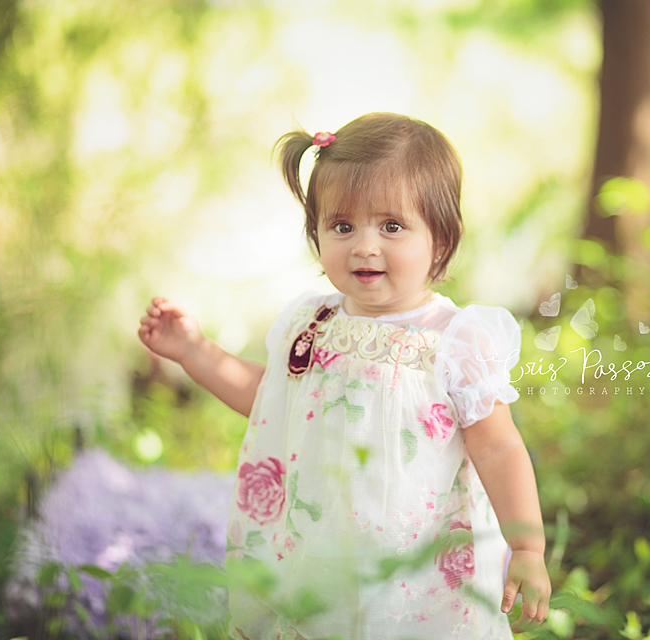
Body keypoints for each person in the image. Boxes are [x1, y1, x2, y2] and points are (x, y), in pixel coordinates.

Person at [138, 113, 551, 639]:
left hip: (416, 572)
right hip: (318, 551)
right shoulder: (310, 322)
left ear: (441, 238)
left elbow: (497, 447)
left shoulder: (454, 341)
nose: (364, 246)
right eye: (342, 226)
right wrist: (194, 351)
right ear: (316, 233)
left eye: (392, 226)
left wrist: (527, 546)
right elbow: (271, 397)